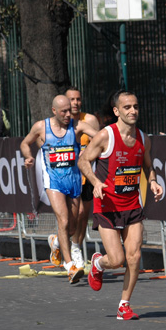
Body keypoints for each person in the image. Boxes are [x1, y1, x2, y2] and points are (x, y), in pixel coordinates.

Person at [78, 91, 163, 320]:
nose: (133, 111)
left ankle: (124, 304)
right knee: (116, 260)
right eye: (127, 107)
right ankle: (98, 262)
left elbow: (148, 166)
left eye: (135, 106)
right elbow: (83, 160)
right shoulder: (106, 136)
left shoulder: (144, 139)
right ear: (116, 111)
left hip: (132, 205)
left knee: (134, 256)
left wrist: (153, 181)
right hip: (107, 206)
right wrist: (95, 182)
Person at [20, 95, 97, 284]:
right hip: (54, 181)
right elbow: (25, 143)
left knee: (72, 224)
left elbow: (101, 136)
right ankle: (70, 266)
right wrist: (28, 157)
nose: (68, 115)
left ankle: (55, 241)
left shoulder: (77, 126)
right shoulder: (41, 127)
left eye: (70, 110)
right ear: (54, 111)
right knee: (62, 219)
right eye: (64, 111)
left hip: (74, 180)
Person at [65, 86, 100, 270]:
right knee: (70, 217)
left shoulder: (90, 120)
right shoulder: (60, 122)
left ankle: (76, 247)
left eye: (78, 99)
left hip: (87, 173)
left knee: (83, 214)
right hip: (68, 175)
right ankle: (59, 241)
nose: (76, 103)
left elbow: (100, 143)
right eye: (72, 99)